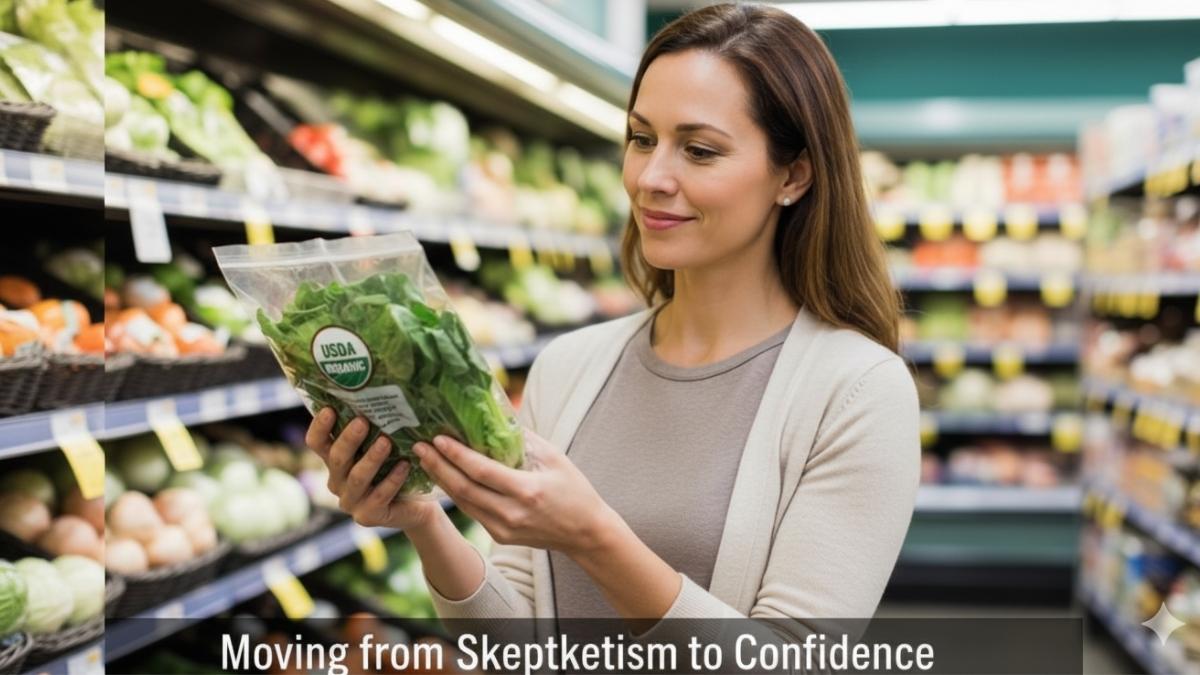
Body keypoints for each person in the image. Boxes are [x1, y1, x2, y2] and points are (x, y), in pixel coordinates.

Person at [305, 2, 919, 629]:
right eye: (642, 138)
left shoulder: (858, 392)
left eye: (700, 151)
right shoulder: (569, 368)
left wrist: (594, 538)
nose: (651, 177)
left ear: (793, 175)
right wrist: (424, 521)